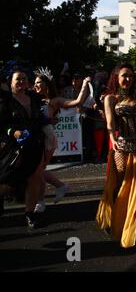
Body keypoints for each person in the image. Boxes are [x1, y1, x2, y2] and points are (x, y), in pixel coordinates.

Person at [96, 44, 136, 248]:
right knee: (122, 186)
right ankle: (117, 219)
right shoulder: (110, 98)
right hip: (123, 147)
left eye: (131, 75)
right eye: (124, 75)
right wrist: (113, 139)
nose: (128, 79)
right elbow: (109, 122)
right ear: (117, 77)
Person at [32, 69, 91, 213]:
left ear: (47, 84)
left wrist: (84, 84)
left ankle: (41, 201)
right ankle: (58, 187)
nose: (36, 86)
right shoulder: (32, 98)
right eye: (35, 83)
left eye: (39, 82)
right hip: (34, 139)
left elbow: (77, 101)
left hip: (47, 139)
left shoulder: (54, 101)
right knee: (37, 170)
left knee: (38, 171)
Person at [0, 69, 46, 228]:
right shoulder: (5, 101)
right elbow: (3, 125)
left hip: (35, 145)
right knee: (9, 181)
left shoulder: (34, 98)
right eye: (18, 79)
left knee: (34, 179)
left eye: (24, 79)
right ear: (10, 82)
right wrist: (14, 132)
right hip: (15, 149)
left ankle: (29, 215)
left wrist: (48, 121)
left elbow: (39, 118)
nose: (21, 81)